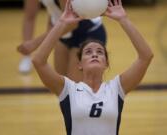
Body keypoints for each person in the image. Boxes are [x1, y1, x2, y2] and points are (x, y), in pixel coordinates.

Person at [32, 0, 153, 134]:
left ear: (106, 63)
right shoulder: (68, 89)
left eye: (100, 52)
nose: (94, 54)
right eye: (88, 52)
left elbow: (146, 57)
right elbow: (39, 61)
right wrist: (62, 23)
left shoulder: (117, 88)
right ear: (79, 64)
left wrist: (123, 20)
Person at [18, 0, 107, 82]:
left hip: (87, 33)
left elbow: (72, 24)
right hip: (62, 32)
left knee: (77, 89)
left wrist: (34, 44)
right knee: (62, 87)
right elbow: (53, 11)